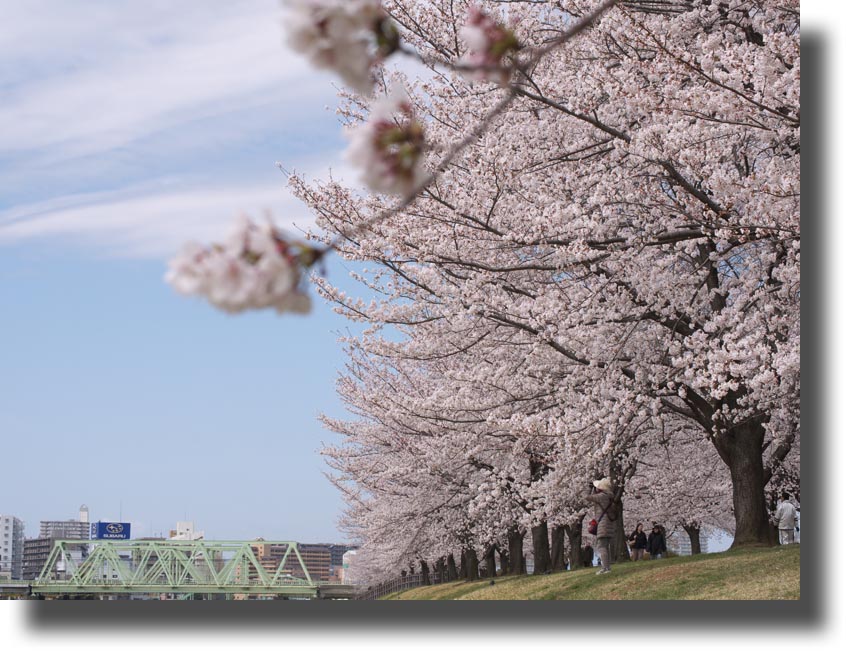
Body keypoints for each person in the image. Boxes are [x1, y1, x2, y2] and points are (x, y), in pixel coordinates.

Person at [585, 477, 618, 575]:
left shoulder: (602, 496)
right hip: (608, 524)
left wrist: (589, 487)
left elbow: (586, 497)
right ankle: (607, 567)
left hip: (603, 525)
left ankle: (605, 568)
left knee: (602, 546)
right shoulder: (609, 496)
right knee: (605, 547)